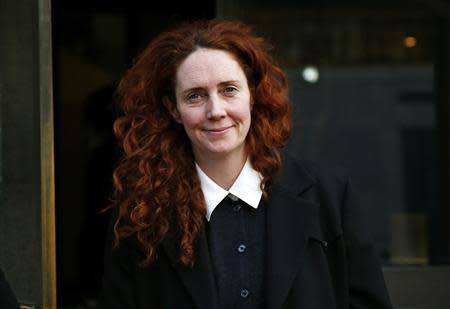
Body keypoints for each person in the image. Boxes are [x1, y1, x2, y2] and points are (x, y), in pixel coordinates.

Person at [99, 19, 392, 309]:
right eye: (195, 96)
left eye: (228, 90)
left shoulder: (329, 195)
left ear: (252, 94)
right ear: (173, 109)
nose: (216, 111)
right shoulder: (141, 214)